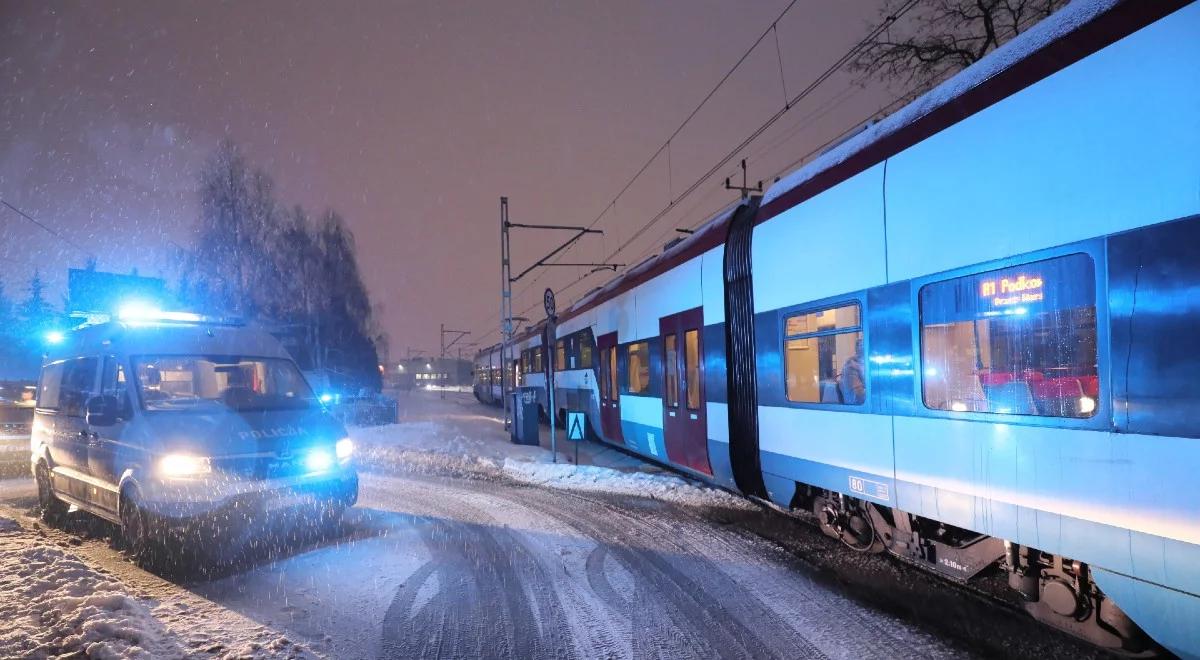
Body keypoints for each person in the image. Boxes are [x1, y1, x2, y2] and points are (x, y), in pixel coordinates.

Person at [839, 338, 866, 405]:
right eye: (860, 346)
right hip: (855, 404)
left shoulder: (863, 364)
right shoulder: (850, 364)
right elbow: (859, 396)